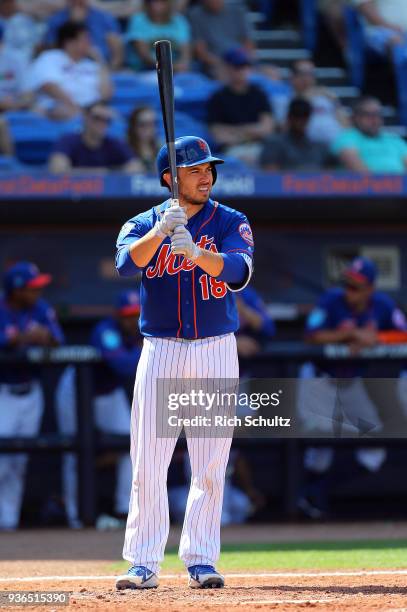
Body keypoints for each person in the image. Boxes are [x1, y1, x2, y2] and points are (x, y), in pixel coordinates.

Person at [114, 135, 254, 590]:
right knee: (150, 459)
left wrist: (194, 251)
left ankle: (200, 558)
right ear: (169, 178)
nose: (206, 177)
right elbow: (124, 264)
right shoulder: (142, 221)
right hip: (162, 347)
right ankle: (143, 561)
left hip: (215, 344)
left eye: (209, 169)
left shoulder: (231, 219)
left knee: (211, 461)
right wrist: (160, 231)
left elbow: (238, 272)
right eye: (195, 170)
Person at [297, 256, 407, 517]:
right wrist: (350, 334)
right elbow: (311, 336)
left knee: (374, 449)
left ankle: (320, 491)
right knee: (318, 444)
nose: (350, 291)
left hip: (351, 383)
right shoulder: (331, 300)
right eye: (348, 284)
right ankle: (305, 504)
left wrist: (377, 338)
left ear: (370, 288)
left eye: (356, 287)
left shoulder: (381, 304)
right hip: (320, 379)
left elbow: (403, 333)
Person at [56, 290, 142, 529]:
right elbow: (122, 366)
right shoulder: (106, 331)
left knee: (132, 444)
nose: (132, 320)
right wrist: (143, 350)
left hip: (109, 393)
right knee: (73, 451)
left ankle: (125, 510)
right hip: (76, 391)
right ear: (118, 315)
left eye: (136, 314)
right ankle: (75, 516)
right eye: (127, 315)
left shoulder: (142, 331)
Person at [0, 262, 64, 530]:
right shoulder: (2, 309)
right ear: (16, 290)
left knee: (19, 463)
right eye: (31, 288)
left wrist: (44, 337)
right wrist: (27, 337)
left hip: (31, 391)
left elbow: (58, 340)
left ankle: (8, 523)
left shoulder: (41, 309)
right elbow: (6, 341)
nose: (37, 292)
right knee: (2, 461)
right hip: (4, 392)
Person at [28, 21, 113, 120]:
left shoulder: (92, 65)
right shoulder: (51, 57)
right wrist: (81, 111)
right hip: (60, 106)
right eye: (85, 40)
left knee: (111, 116)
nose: (90, 44)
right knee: (65, 111)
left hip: (92, 109)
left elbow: (106, 95)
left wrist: (100, 61)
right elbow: (49, 86)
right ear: (69, 42)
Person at [207, 47, 273, 166]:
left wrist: (236, 131)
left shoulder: (259, 94)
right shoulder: (218, 97)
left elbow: (266, 129)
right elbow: (217, 134)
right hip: (232, 150)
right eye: (238, 67)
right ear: (228, 69)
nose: (243, 71)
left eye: (246, 66)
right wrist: (250, 132)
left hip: (259, 148)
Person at [48, 100, 142, 173]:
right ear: (85, 117)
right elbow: (57, 169)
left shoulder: (114, 143)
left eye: (106, 120)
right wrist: (107, 173)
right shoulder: (67, 140)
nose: (102, 123)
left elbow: (136, 168)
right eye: (97, 118)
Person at [332, 96, 407, 173]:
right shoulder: (346, 138)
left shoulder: (395, 139)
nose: (374, 119)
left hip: (402, 183)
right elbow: (359, 170)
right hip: (366, 183)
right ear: (356, 117)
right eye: (368, 114)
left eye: (378, 114)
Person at [260, 97, 335, 171]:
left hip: (315, 183)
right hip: (284, 183)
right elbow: (271, 176)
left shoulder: (320, 147)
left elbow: (332, 175)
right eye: (297, 116)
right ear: (289, 117)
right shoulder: (274, 144)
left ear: (309, 118)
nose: (300, 121)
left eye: (305, 116)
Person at [44, 0, 123, 69]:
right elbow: (51, 50)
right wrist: (74, 23)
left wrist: (109, 69)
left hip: (100, 66)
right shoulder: (56, 20)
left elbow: (117, 52)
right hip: (65, 68)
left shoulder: (105, 18)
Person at [286, 59, 347, 145]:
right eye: (303, 73)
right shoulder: (286, 98)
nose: (307, 78)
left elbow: (344, 121)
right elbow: (285, 128)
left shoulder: (326, 96)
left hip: (338, 147)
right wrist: (305, 96)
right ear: (292, 77)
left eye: (311, 73)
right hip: (306, 148)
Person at [188, 0, 254, 78]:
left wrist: (244, 63)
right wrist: (224, 66)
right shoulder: (195, 15)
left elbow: (248, 43)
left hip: (241, 61)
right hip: (215, 65)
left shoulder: (238, 10)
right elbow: (201, 52)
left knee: (270, 73)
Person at [126, 0, 191, 72]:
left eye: (162, 1)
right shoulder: (138, 20)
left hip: (177, 72)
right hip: (144, 71)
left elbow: (186, 52)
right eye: (154, 1)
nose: (157, 5)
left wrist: (182, 65)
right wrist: (169, 68)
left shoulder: (180, 21)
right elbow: (144, 55)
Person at [235, 286, 275, 359]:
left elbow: (269, 328)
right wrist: (234, 343)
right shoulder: (211, 295)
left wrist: (243, 309)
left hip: (246, 355)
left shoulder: (245, 292)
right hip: (218, 351)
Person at [127, 106, 161, 173]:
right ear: (133, 126)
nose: (148, 129)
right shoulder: (123, 148)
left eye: (152, 124)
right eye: (142, 124)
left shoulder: (162, 149)